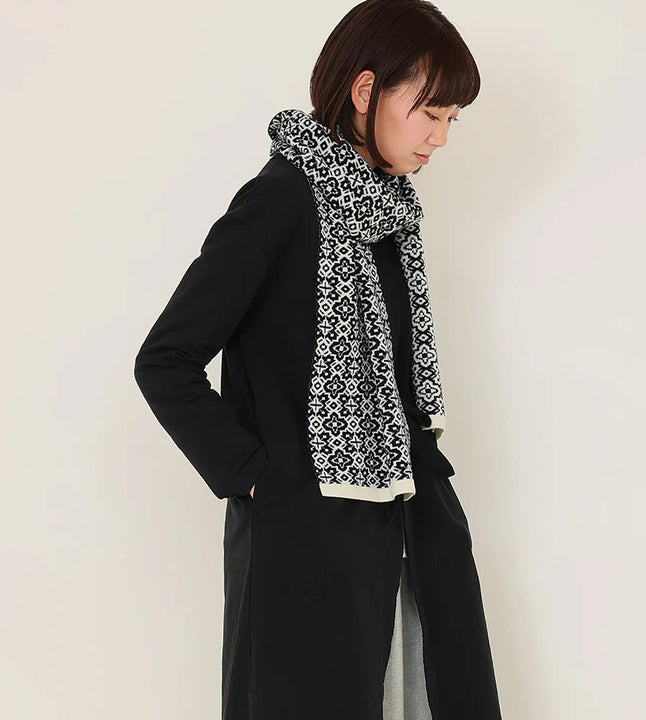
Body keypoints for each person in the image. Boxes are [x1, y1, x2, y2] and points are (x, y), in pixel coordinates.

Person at [133, 1, 503, 718]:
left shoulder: (389, 214)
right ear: (366, 91)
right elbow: (166, 359)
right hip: (307, 550)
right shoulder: (281, 202)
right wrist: (258, 479)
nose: (441, 136)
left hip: (410, 541)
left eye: (452, 119)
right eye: (431, 112)